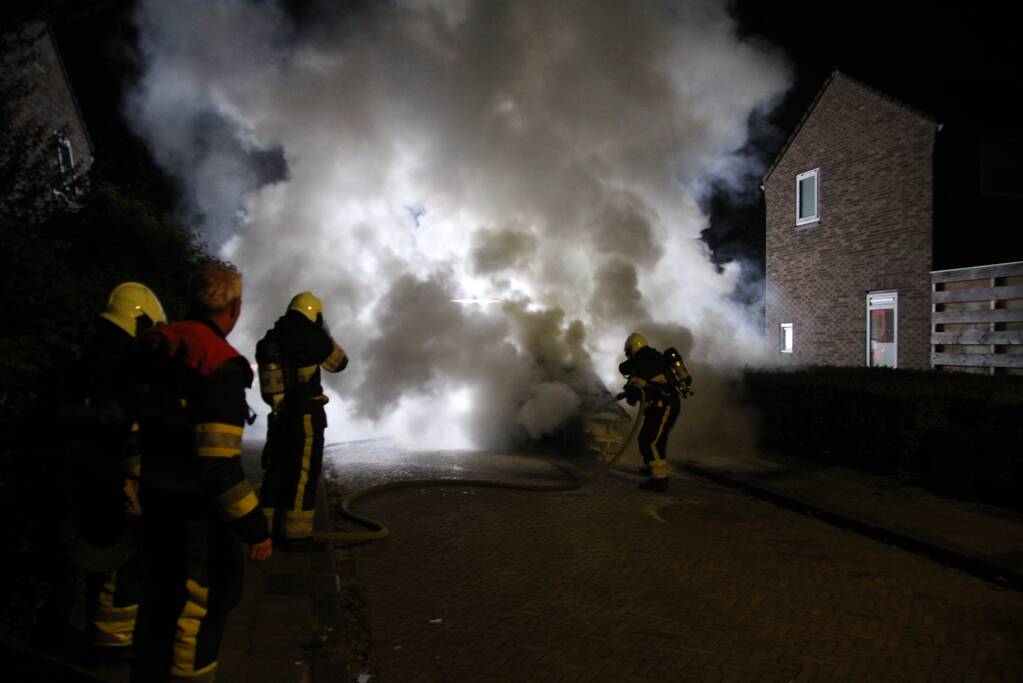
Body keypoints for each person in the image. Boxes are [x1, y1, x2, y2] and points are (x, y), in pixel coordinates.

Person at [129, 261, 271, 682]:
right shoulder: (220, 365)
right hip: (197, 519)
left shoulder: (151, 345)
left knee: (155, 605)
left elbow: (128, 425)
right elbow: (218, 466)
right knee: (201, 608)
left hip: (153, 505)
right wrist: (255, 528)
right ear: (235, 309)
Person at [60, 282, 166, 656]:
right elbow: (131, 429)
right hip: (114, 479)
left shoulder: (85, 357)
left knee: (84, 561)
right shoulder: (126, 364)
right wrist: (138, 481)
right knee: (120, 564)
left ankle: (82, 633)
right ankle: (114, 643)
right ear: (140, 323)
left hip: (76, 475)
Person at [256, 291, 347, 548]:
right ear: (314, 315)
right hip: (306, 415)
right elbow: (339, 363)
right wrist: (325, 333)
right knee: (303, 472)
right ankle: (295, 535)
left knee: (275, 470)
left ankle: (265, 531)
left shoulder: (271, 337)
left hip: (278, 416)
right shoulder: (313, 337)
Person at [619, 332, 680, 492]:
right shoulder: (650, 356)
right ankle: (653, 466)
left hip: (664, 404)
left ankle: (659, 480)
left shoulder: (644, 359)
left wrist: (630, 392)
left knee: (650, 441)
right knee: (648, 439)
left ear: (632, 348)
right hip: (660, 405)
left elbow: (634, 386)